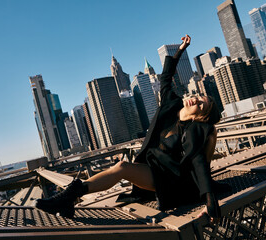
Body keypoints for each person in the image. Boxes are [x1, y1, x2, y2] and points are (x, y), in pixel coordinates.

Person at [36, 34, 223, 222]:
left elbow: (198, 161)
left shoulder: (194, 129)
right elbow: (166, 78)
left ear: (201, 116)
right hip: (153, 167)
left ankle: (68, 197)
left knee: (122, 167)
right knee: (122, 167)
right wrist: (180, 50)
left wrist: (210, 202)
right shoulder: (172, 104)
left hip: (171, 179)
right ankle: (69, 198)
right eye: (199, 97)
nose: (196, 100)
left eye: (201, 105)